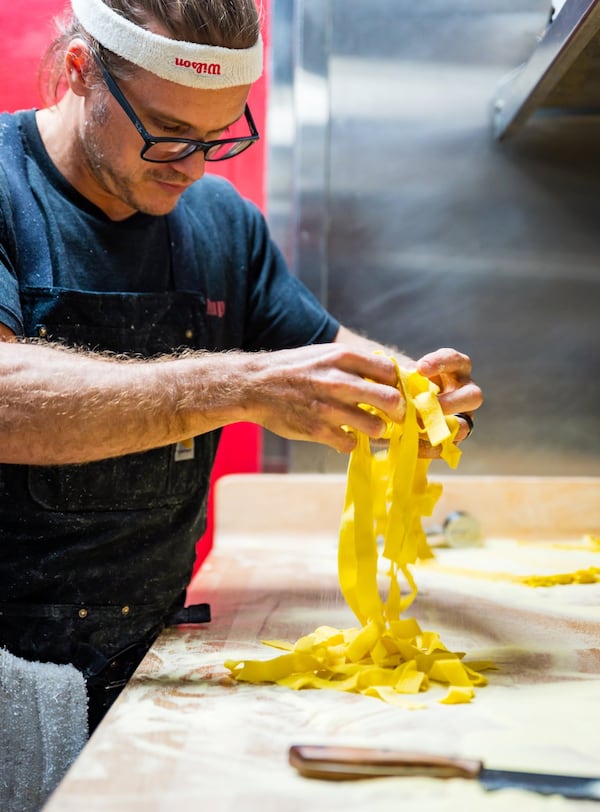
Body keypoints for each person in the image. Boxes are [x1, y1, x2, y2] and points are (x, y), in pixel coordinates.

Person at [0, 0, 482, 734]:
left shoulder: (221, 221)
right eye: (168, 135)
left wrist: (411, 396)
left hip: (147, 661)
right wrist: (239, 386)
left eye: (218, 135)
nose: (193, 168)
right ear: (79, 72)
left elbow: (322, 359)